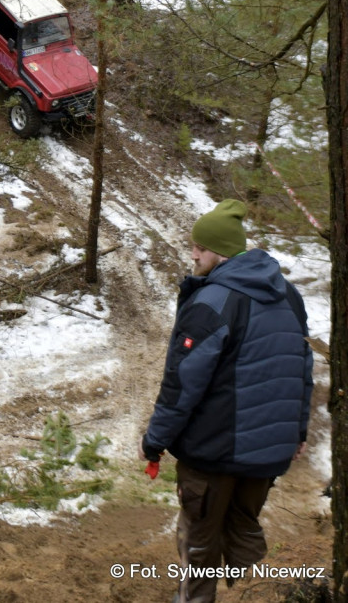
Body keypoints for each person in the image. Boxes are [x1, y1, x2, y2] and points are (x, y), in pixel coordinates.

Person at [138, 199, 313, 603]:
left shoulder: (213, 301)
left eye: (199, 247)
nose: (193, 254)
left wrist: (155, 440)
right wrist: (298, 431)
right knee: (240, 522)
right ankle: (239, 563)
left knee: (197, 542)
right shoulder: (288, 296)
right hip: (268, 455)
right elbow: (300, 370)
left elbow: (183, 383)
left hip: (214, 451)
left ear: (220, 250)